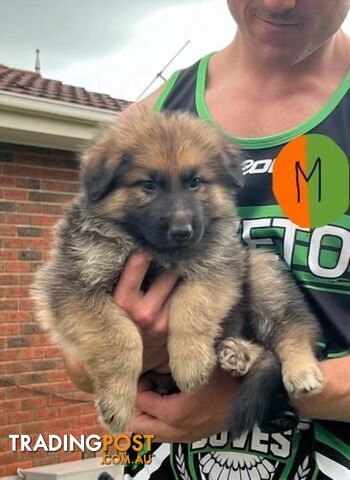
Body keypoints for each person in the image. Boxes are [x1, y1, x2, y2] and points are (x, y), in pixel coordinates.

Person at [65, 1, 350, 478]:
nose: (279, 3)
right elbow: (77, 360)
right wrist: (138, 343)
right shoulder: (150, 117)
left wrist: (261, 394)